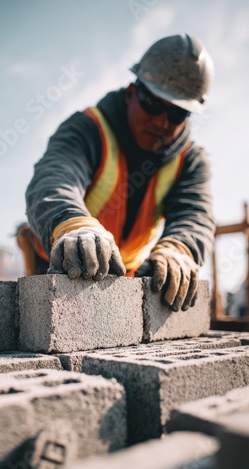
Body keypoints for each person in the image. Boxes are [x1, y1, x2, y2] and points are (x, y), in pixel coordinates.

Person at [19, 34, 215, 312]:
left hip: (126, 272)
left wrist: (181, 248)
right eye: (153, 103)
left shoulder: (191, 161)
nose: (161, 122)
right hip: (57, 263)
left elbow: (195, 215)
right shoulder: (88, 128)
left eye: (177, 114)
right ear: (132, 92)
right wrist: (74, 225)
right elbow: (53, 179)